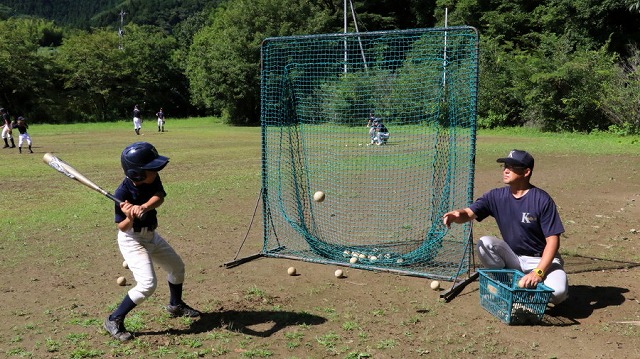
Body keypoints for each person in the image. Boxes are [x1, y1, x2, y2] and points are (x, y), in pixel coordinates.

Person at [442, 149, 568, 305]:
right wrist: (457, 215)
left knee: (558, 293)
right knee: (484, 243)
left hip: (542, 261)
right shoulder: (496, 196)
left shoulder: (541, 199)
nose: (506, 170)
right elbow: (468, 213)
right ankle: (506, 285)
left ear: (526, 172)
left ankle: (525, 292)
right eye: (505, 166)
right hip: (514, 258)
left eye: (512, 167)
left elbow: (553, 241)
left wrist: (539, 272)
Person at [103, 142, 200, 341]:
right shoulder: (121, 193)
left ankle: (175, 305)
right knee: (147, 284)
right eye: (151, 169)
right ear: (137, 173)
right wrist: (129, 216)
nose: (156, 171)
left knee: (177, 267)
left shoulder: (152, 178)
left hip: (151, 235)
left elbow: (159, 197)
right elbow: (121, 227)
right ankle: (114, 319)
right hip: (132, 240)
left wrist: (144, 207)